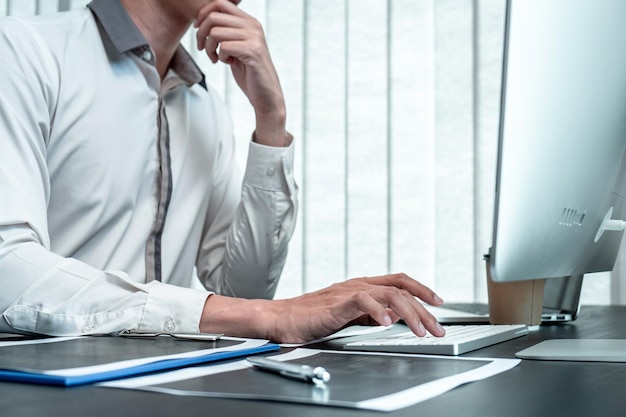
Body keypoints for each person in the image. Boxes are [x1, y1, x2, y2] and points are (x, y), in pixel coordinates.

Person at [0, 0, 446, 344]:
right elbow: (7, 271)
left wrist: (271, 120)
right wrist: (265, 317)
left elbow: (242, 288)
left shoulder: (203, 107)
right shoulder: (24, 51)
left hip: (164, 382)